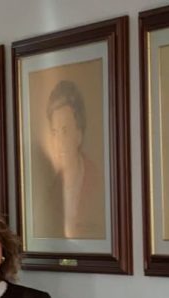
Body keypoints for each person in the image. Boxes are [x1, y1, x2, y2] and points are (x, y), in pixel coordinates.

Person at [41, 79, 104, 239]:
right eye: (55, 132)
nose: (59, 142)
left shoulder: (99, 183)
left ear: (79, 134)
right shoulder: (50, 193)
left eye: (65, 131)